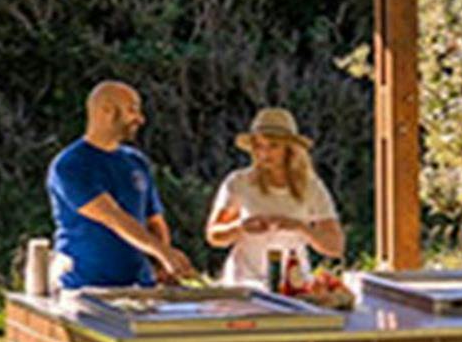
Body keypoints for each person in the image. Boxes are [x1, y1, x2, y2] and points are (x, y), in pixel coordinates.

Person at [46, 80, 197, 289]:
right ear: (106, 110)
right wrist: (163, 252)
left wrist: (163, 265)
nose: (140, 119)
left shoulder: (136, 161)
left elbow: (154, 220)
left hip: (139, 285)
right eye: (132, 110)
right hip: (85, 286)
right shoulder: (71, 165)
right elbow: (113, 217)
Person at [206, 107, 346, 286]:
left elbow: (335, 247)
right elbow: (213, 235)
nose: (264, 153)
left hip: (293, 283)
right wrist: (241, 227)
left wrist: (300, 227)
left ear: (289, 149)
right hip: (244, 282)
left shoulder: (310, 186)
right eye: (258, 146)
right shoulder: (239, 182)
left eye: (273, 146)